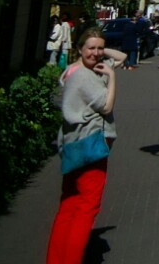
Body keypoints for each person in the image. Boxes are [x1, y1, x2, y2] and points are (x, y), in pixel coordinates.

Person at [46, 26, 117, 264]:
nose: (96, 53)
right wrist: (112, 77)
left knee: (69, 205)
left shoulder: (73, 70)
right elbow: (106, 106)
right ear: (79, 48)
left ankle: (56, 260)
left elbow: (121, 57)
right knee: (87, 209)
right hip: (90, 146)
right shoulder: (85, 76)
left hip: (72, 145)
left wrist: (99, 50)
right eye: (91, 48)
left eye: (100, 48)